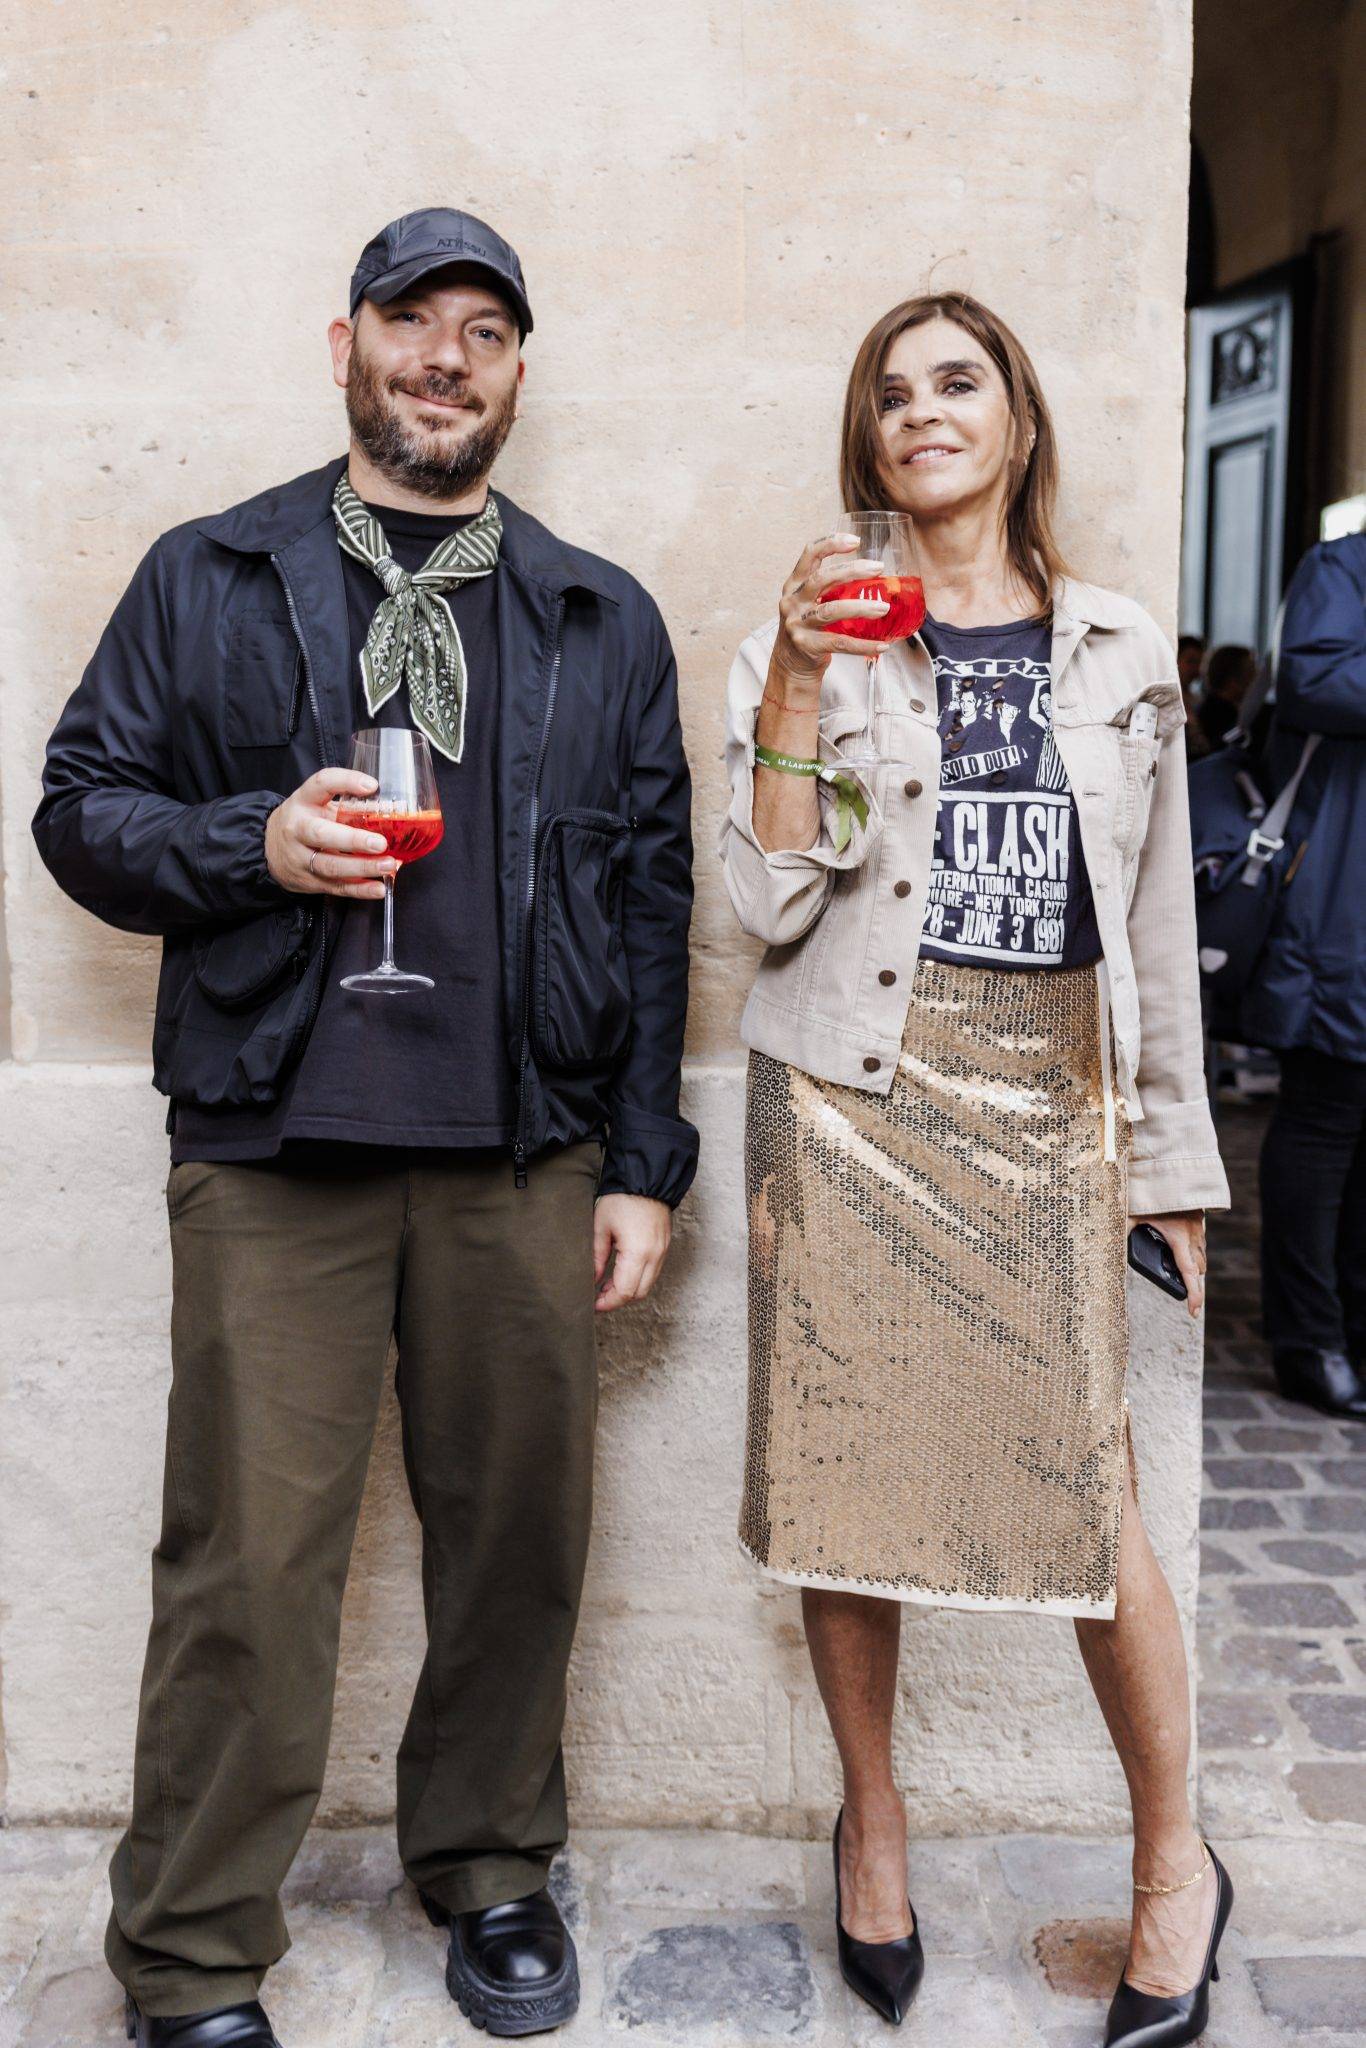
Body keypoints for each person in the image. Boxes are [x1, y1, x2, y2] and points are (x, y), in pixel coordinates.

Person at [33, 207, 697, 2048]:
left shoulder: (593, 613)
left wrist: (644, 1159)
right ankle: (189, 1950)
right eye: (417, 319)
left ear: (510, 374)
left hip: (520, 1146)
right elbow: (81, 807)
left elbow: (652, 899)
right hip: (274, 1145)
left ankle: (488, 1864)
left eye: (486, 329)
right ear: (346, 340)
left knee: (519, 1540)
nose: (447, 356)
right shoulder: (211, 573)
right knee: (246, 1556)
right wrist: (245, 844)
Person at [720, 292, 1232, 2045]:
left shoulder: (1117, 642)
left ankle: (1178, 1861)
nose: (919, 411)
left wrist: (1165, 1156)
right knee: (847, 1487)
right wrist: (795, 673)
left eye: (956, 381)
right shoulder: (818, 632)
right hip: (851, 1098)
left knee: (1094, 1514)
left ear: (1016, 416)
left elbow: (1152, 919)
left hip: (1044, 1103)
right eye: (889, 392)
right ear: (865, 442)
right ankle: (874, 1817)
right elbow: (764, 900)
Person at [1242, 532, 1366, 1421]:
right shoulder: (1346, 567)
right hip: (1345, 893)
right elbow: (1315, 683)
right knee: (1326, 1117)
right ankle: (1308, 1339)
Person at [1196, 643, 1256, 750]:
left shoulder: (1208, 708)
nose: (1256, 682)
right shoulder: (1221, 717)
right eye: (1252, 674)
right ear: (1233, 682)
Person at [1177, 636, 1212, 760]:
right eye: (1190, 661)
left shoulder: (1198, 701)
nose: (1196, 670)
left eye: (1199, 663)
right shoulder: (1164, 700)